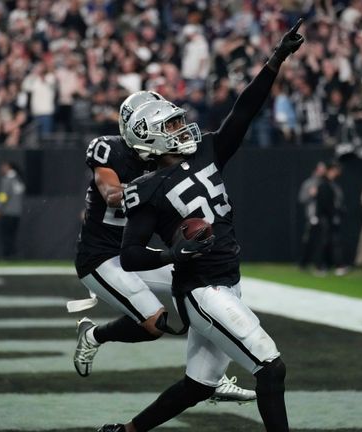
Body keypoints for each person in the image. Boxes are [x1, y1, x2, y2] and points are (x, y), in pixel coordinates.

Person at [108, 20, 304, 432]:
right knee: (271, 367)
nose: (182, 128)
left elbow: (245, 109)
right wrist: (171, 255)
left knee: (199, 384)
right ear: (149, 140)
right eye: (171, 126)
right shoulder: (146, 189)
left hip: (226, 282)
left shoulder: (207, 151)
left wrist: (276, 59)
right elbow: (129, 255)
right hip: (202, 291)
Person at [70, 91, 254, 403]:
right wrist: (152, 186)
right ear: (140, 129)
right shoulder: (109, 149)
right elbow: (112, 193)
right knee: (154, 324)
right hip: (101, 257)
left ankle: (210, 377)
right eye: (165, 126)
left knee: (201, 285)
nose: (173, 131)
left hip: (136, 254)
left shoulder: (165, 158)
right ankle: (93, 335)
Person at [314, 161, 346, 275]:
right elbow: (324, 204)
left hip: (330, 217)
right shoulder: (323, 185)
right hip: (325, 218)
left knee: (332, 241)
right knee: (324, 241)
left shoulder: (333, 184)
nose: (336, 173)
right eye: (334, 171)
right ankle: (320, 266)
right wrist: (332, 215)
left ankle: (333, 265)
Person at [0, 161, 26, 259]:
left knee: (6, 235)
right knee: (12, 235)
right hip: (17, 213)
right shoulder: (18, 179)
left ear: (8, 167)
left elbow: (3, 196)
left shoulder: (7, 180)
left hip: (8, 212)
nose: (2, 168)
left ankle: (8, 256)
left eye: (4, 166)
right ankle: (13, 255)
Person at [297, 161, 326, 269]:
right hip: (312, 215)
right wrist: (311, 194)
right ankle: (303, 262)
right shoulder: (308, 183)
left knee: (322, 240)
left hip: (323, 215)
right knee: (309, 239)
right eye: (320, 169)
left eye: (323, 170)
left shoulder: (325, 183)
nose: (322, 172)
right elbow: (301, 199)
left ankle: (319, 263)